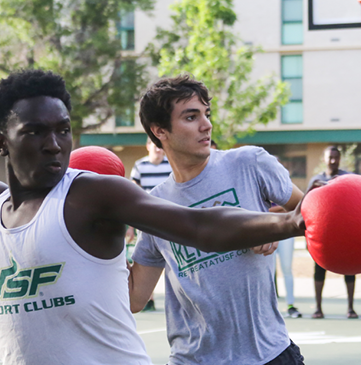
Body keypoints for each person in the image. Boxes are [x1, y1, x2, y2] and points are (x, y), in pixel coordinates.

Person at [0, 68, 308, 365]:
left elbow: (197, 225)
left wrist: (290, 222)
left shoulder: (91, 196)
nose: (55, 144)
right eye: (35, 131)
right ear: (0, 142)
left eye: (64, 129)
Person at [129, 75, 306, 364]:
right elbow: (135, 298)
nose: (206, 124)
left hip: (268, 353)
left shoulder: (249, 162)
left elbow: (309, 212)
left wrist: (273, 223)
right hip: (193, 359)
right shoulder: (153, 206)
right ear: (160, 130)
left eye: (206, 114)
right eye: (190, 116)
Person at [307, 146, 357, 319]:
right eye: (330, 157)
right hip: (324, 233)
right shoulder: (316, 180)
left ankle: (350, 308)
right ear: (324, 159)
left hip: (344, 232)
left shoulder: (347, 178)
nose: (333, 161)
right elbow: (307, 204)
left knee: (349, 268)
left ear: (340, 159)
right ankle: (318, 308)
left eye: (336, 157)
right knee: (319, 268)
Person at [127, 138, 173, 312]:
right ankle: (149, 298)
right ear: (148, 146)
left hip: (170, 218)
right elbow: (132, 195)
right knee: (146, 258)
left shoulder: (170, 165)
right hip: (146, 219)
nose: (158, 150)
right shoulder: (140, 166)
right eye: (155, 146)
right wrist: (131, 225)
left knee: (171, 258)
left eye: (160, 146)